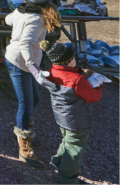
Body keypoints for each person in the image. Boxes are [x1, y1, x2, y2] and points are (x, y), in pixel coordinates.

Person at [4, 0, 62, 168]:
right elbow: (25, 43)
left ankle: (22, 130)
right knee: (26, 103)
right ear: (47, 2)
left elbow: (7, 20)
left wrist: (16, 11)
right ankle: (24, 146)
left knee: (34, 99)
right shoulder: (37, 18)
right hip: (20, 63)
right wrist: (33, 67)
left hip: (23, 62)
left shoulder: (22, 10)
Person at [40, 41, 103, 185]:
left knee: (67, 139)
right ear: (68, 61)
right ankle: (68, 179)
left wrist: (79, 70)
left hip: (62, 117)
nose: (76, 61)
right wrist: (99, 85)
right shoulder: (78, 80)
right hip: (77, 121)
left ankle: (57, 161)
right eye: (74, 59)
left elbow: (66, 73)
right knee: (75, 148)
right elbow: (93, 97)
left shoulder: (51, 72)